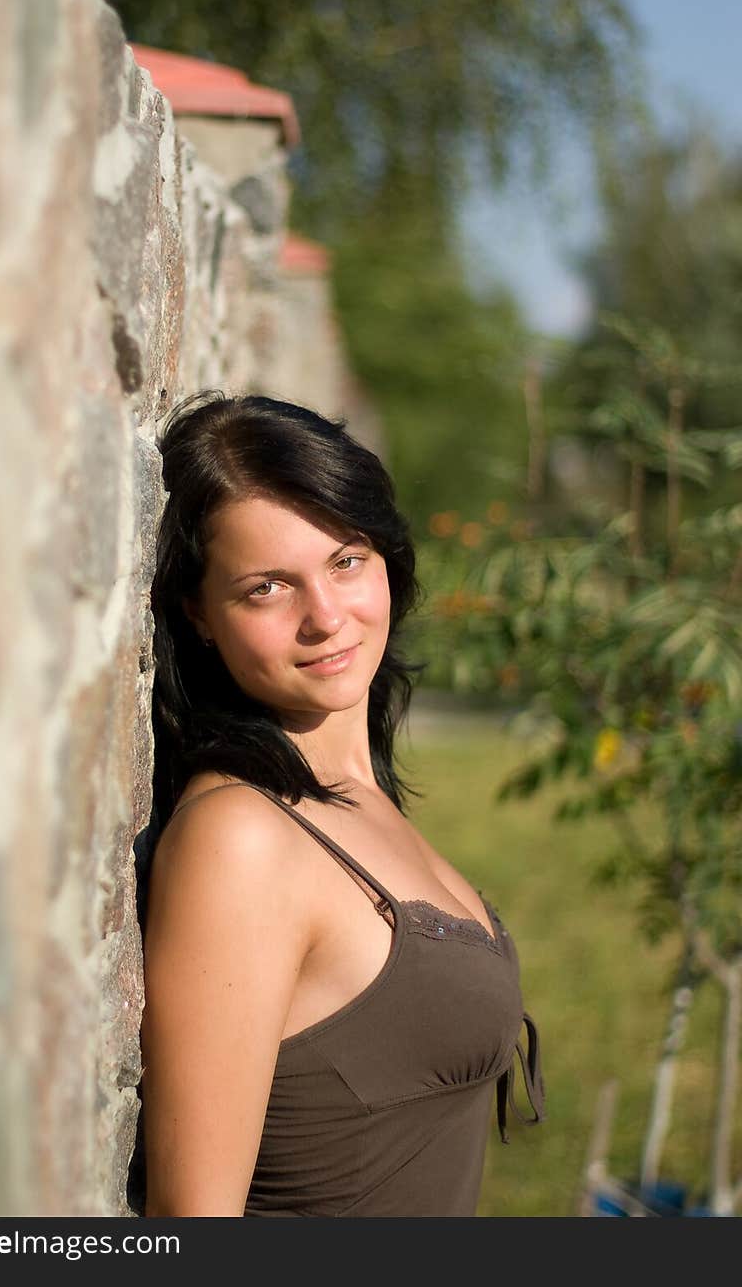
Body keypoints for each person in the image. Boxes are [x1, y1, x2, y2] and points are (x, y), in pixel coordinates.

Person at [139, 389, 544, 1218]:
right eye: (266, 587)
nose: (326, 617)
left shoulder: (355, 797)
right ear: (199, 614)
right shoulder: (241, 838)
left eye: (346, 560)